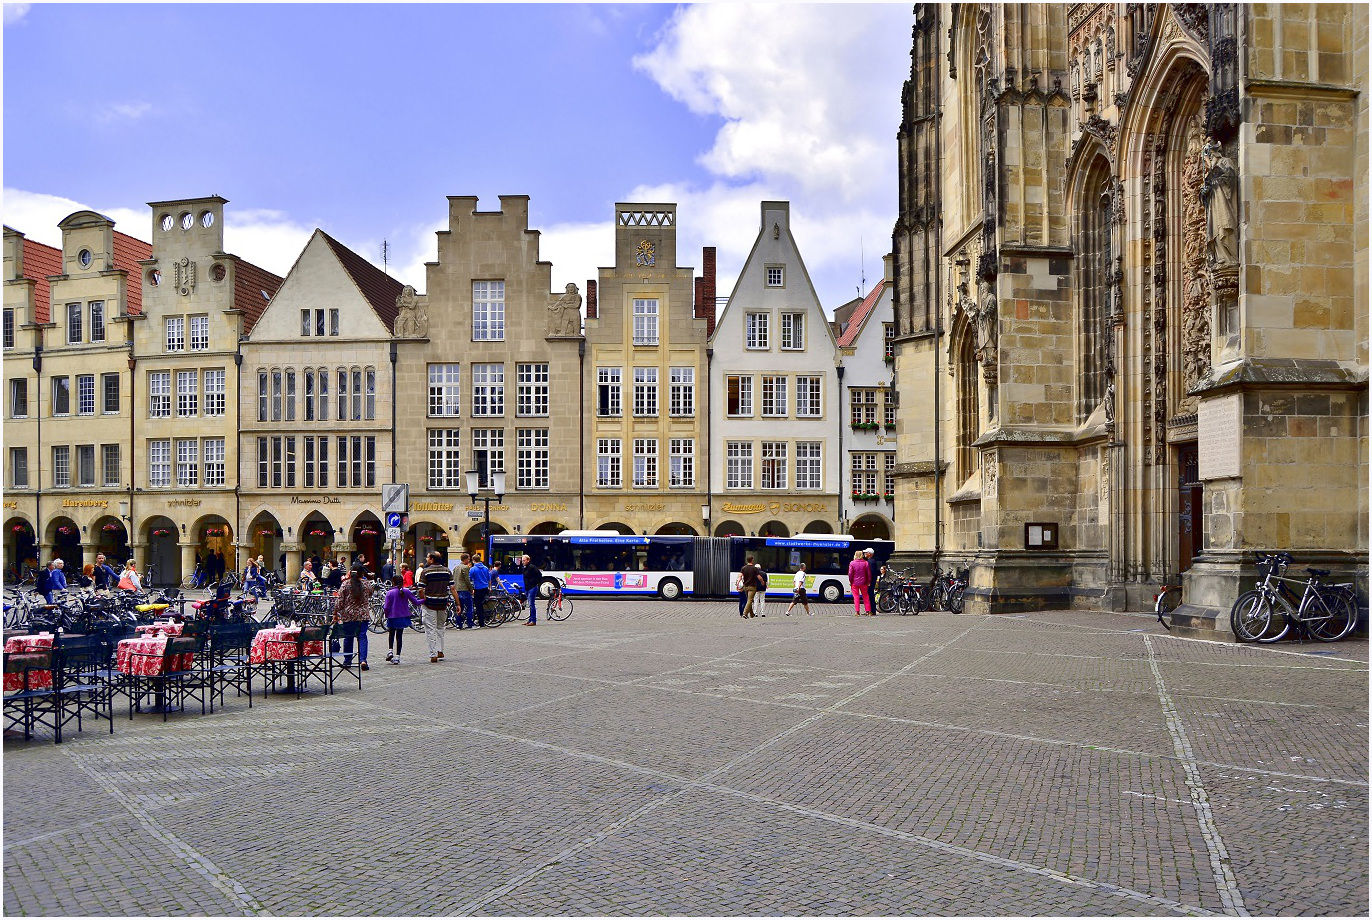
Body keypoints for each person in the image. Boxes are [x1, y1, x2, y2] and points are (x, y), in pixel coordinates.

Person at [416, 551, 453, 662]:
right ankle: (440, 650)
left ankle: (433, 654)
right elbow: (453, 588)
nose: (426, 559)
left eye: (427, 557)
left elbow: (421, 589)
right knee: (440, 627)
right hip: (442, 603)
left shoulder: (426, 571)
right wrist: (458, 603)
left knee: (430, 628)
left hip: (430, 604)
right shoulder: (447, 571)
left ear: (432, 559)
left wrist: (423, 599)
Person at [333, 567, 372, 670]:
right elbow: (370, 593)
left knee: (348, 637)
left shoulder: (345, 584)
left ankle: (347, 660)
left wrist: (335, 612)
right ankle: (363, 660)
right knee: (362, 636)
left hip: (348, 615)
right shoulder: (366, 583)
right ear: (361, 573)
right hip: (363, 614)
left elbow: (339, 601)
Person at [383, 576, 420, 665]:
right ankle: (397, 657)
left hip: (392, 616)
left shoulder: (390, 593)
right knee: (399, 636)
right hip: (403, 616)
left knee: (391, 634)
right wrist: (425, 600)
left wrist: (387, 615)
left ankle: (390, 650)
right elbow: (416, 602)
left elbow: (386, 607)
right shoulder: (406, 591)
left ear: (393, 582)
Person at [451, 552, 475, 629]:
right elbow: (467, 580)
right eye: (468, 559)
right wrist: (471, 589)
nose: (469, 560)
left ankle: (458, 624)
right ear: (465, 559)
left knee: (459, 607)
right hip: (464, 589)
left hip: (457, 589)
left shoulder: (456, 567)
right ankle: (470, 624)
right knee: (469, 607)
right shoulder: (465, 568)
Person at [469, 553, 491, 628]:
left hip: (478, 589)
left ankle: (481, 622)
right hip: (485, 588)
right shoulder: (485, 568)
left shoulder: (473, 569)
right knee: (484, 603)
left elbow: (469, 579)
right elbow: (489, 579)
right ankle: (488, 618)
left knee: (478, 606)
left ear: (474, 560)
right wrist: (489, 587)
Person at [848, 550, 872, 616]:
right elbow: (868, 574)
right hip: (864, 582)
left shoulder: (852, 563)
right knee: (866, 596)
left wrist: (851, 581)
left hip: (854, 583)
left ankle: (857, 612)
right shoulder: (866, 563)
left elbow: (850, 573)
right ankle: (868, 611)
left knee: (856, 597)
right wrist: (868, 581)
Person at [521, 554, 542, 626]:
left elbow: (539, 575)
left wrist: (534, 583)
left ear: (528, 560)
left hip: (532, 587)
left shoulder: (532, 567)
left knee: (531, 604)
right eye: (522, 560)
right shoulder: (525, 567)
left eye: (524, 560)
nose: (522, 562)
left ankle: (533, 620)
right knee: (530, 604)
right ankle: (530, 620)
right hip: (528, 588)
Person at [863, 548, 879, 615]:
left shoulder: (870, 562)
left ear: (869, 553)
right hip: (872, 580)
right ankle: (871, 610)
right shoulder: (871, 561)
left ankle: (871, 610)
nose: (864, 554)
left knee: (870, 595)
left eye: (866, 552)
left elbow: (871, 572)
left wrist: (869, 580)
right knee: (870, 595)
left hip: (870, 581)